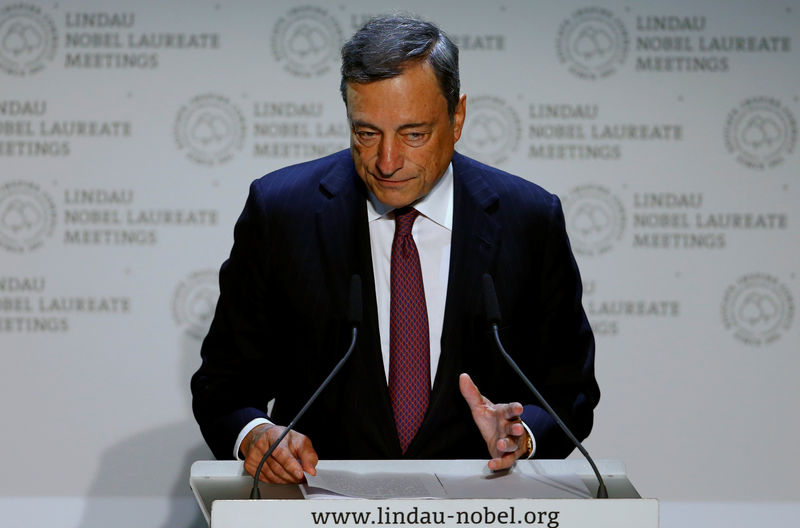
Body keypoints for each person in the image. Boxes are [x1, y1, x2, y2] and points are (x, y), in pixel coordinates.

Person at [191, 15, 599, 485]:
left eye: (413, 134)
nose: (386, 162)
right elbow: (222, 388)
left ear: (458, 117)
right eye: (366, 134)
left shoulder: (529, 220)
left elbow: (570, 391)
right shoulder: (282, 214)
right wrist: (257, 434)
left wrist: (521, 434)